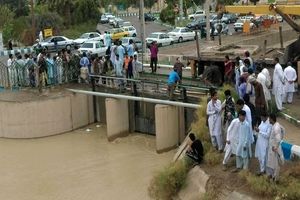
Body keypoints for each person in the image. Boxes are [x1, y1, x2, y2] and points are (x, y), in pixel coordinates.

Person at [266, 114, 284, 182]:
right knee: (271, 163)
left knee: (275, 164)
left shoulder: (276, 127)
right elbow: (283, 130)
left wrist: (275, 147)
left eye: (269, 119)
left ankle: (275, 179)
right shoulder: (275, 125)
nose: (268, 120)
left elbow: (278, 139)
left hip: (275, 149)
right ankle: (272, 176)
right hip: (272, 148)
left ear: (271, 119)